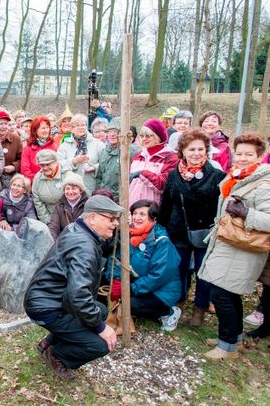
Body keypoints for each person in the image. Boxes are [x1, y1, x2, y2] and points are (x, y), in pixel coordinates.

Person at [24, 195, 121, 380]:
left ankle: (47, 342)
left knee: (99, 310)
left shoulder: (77, 229)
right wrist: (101, 328)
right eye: (111, 219)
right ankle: (57, 355)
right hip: (46, 307)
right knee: (99, 345)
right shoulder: (84, 246)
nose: (115, 223)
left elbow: (77, 295)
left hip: (48, 298)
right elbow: (77, 296)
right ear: (92, 218)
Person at [198, 133, 270, 360]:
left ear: (260, 156)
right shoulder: (237, 177)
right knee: (227, 294)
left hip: (244, 248)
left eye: (249, 154)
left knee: (222, 295)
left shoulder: (263, 183)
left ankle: (226, 346)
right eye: (239, 153)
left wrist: (247, 213)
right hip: (228, 243)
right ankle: (234, 339)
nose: (243, 158)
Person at [159, 128, 226, 326]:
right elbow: (166, 204)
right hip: (179, 231)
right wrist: (161, 227)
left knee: (203, 272)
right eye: (191, 150)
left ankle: (200, 308)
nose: (196, 154)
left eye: (200, 149)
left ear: (206, 151)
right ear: (182, 152)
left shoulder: (217, 176)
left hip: (205, 233)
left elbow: (221, 208)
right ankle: (179, 300)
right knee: (178, 269)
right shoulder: (174, 176)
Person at [106, 200, 182, 331]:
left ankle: (169, 312)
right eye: (134, 213)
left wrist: (130, 288)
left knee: (129, 304)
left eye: (142, 214)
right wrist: (117, 280)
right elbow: (117, 260)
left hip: (162, 290)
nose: (136, 217)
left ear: (153, 218)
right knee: (106, 291)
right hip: (140, 283)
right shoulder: (129, 234)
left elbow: (158, 276)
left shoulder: (162, 241)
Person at [129, 118, 178, 205]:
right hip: (132, 207)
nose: (144, 139)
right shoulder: (139, 155)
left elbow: (163, 185)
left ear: (158, 136)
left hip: (152, 209)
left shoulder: (171, 158)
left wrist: (142, 173)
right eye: (142, 136)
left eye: (148, 136)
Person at [57, 113, 105, 194]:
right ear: (72, 128)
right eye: (77, 125)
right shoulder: (64, 146)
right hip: (71, 189)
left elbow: (106, 162)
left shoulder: (98, 144)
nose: (81, 127)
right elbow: (58, 165)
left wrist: (94, 167)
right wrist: (74, 161)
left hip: (92, 186)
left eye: (83, 125)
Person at [95, 118, 139, 201]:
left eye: (116, 132)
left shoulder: (133, 152)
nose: (112, 135)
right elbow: (99, 177)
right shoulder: (104, 151)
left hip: (123, 200)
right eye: (110, 131)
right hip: (104, 198)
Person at [32, 150, 69, 224]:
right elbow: (37, 201)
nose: (45, 168)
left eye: (48, 164)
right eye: (42, 165)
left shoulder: (66, 174)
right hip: (49, 218)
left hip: (68, 216)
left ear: (56, 162)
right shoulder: (38, 178)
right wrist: (48, 221)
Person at [48, 172, 88, 239]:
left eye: (74, 188)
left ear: (81, 191)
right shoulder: (59, 205)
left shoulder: (87, 205)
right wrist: (52, 242)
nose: (70, 192)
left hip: (82, 241)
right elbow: (53, 227)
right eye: (67, 188)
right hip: (65, 240)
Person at [20, 116, 57, 183]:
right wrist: (40, 180)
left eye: (47, 127)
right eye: (43, 128)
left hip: (52, 182)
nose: (46, 130)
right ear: (35, 130)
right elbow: (25, 170)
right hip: (35, 184)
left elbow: (58, 165)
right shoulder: (28, 148)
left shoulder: (54, 145)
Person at [0, 110, 23, 189]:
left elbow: (22, 158)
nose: (4, 127)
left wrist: (14, 167)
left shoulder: (15, 138)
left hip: (9, 178)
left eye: (6, 124)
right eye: (1, 124)